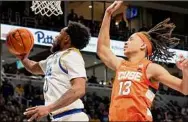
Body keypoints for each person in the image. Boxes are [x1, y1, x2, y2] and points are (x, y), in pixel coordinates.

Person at [97, 1, 188, 121]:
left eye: (131, 39)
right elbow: (102, 49)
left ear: (143, 46)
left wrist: (185, 71)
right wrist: (108, 14)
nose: (126, 42)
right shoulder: (121, 64)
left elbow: (184, 88)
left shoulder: (151, 68)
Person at [15, 21, 91, 121]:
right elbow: (34, 67)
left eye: (60, 34)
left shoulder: (72, 56)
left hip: (72, 117)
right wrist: (23, 58)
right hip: (60, 117)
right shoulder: (55, 57)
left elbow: (79, 89)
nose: (56, 37)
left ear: (66, 39)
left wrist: (48, 108)